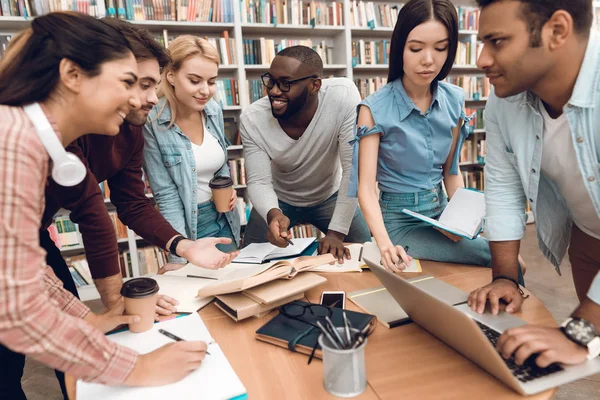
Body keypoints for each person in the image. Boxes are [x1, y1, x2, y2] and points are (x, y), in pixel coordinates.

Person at [0, 19, 239, 400]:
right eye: (129, 83)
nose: (139, 98)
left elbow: (27, 272)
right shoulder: (14, 144)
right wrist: (137, 367)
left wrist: (88, 319)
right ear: (73, 75)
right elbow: (16, 309)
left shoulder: (27, 137)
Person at [468, 0, 600, 367]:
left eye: (497, 41)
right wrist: (506, 278)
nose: (482, 59)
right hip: (589, 237)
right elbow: (503, 185)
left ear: (557, 30)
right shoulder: (503, 101)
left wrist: (580, 329)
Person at [350, 0, 502, 273]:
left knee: (506, 258)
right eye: (416, 48)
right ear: (400, 49)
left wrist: (462, 222)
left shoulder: (454, 99)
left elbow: (451, 173)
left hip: (442, 214)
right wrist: (384, 244)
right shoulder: (373, 108)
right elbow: (365, 189)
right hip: (398, 222)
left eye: (440, 48)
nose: (428, 60)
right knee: (501, 260)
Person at [240, 46, 371, 262]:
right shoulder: (252, 119)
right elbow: (259, 181)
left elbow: (352, 170)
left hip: (330, 195)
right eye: (271, 81)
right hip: (280, 199)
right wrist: (272, 213)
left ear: (314, 85)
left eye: (286, 83)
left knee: (366, 255)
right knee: (248, 263)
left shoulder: (343, 96)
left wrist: (336, 233)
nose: (273, 91)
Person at [144, 35, 241, 266]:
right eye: (195, 80)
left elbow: (220, 166)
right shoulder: (152, 121)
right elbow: (166, 195)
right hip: (190, 224)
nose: (205, 91)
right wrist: (179, 254)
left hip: (226, 218)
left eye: (211, 81)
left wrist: (228, 188)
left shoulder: (213, 110)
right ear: (171, 76)